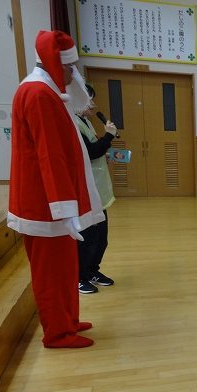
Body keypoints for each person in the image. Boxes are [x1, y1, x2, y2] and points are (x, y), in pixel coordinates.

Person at [7, 30, 104, 348]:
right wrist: (65, 208)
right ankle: (57, 333)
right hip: (44, 204)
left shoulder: (48, 91)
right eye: (71, 66)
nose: (74, 73)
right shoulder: (38, 93)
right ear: (56, 64)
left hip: (53, 202)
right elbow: (50, 155)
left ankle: (68, 321)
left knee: (65, 268)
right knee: (51, 272)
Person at [74, 83, 117, 294]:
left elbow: (90, 151)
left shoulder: (86, 122)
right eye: (89, 99)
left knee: (101, 238)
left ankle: (92, 271)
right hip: (86, 192)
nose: (93, 104)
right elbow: (89, 152)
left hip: (98, 191)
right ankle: (79, 277)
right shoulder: (73, 124)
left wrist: (105, 154)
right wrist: (108, 136)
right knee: (88, 238)